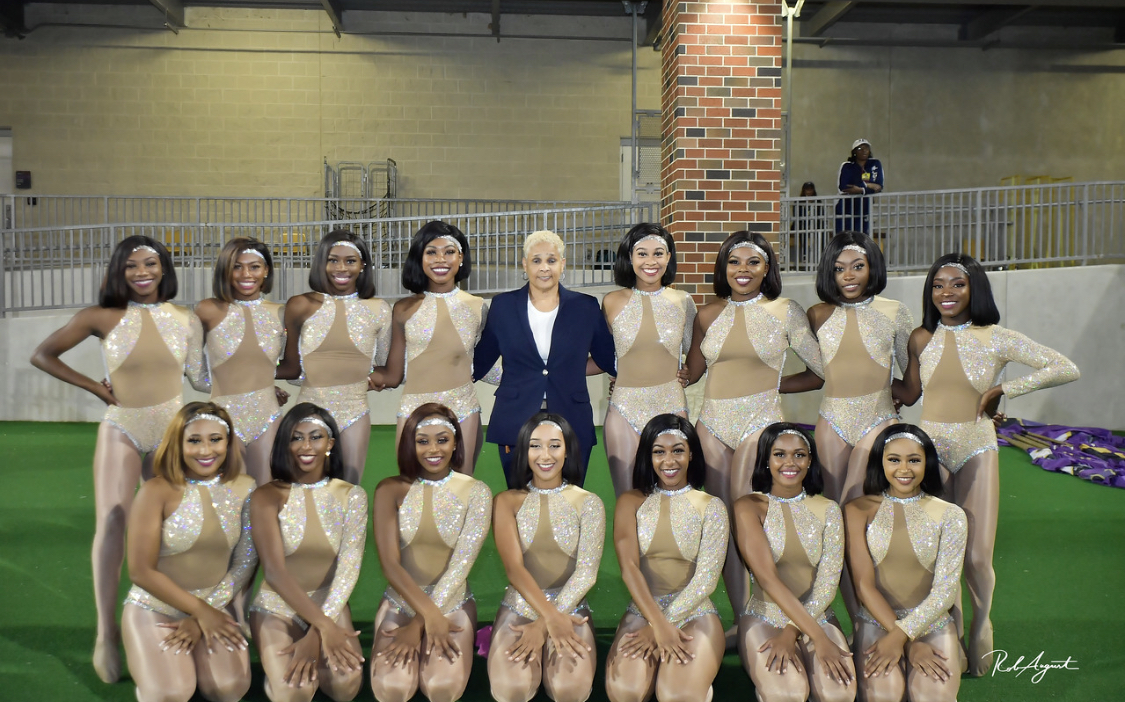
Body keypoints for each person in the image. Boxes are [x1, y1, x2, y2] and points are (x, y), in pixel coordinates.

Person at [30, 235, 207, 683]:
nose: (141, 272)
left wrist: (269, 379)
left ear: (164, 268)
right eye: (131, 266)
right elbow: (42, 355)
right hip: (122, 426)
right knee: (112, 522)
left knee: (174, 528)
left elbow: (202, 379)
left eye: (150, 264)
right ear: (118, 271)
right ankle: (106, 632)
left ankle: (167, 616)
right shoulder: (101, 316)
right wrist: (95, 387)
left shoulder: (185, 319)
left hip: (170, 432)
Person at [895, 253, 1079, 676]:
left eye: (957, 284)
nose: (946, 293)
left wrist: (1004, 389)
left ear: (975, 288)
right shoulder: (921, 338)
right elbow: (910, 392)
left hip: (977, 447)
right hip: (930, 451)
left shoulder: (997, 337)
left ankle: (981, 626)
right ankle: (953, 636)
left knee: (977, 556)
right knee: (941, 555)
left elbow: (1065, 367)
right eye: (938, 285)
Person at [685, 230, 823, 616]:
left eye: (753, 262)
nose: (742, 269)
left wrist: (774, 385)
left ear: (767, 269)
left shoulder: (786, 311)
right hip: (711, 426)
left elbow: (820, 371)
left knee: (751, 520)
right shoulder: (707, 315)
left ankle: (770, 611)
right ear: (723, 268)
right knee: (724, 524)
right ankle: (742, 616)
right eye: (734, 262)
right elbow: (690, 373)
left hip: (760, 424)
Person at [122, 402, 257, 702]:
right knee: (172, 693)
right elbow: (140, 571)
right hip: (155, 607)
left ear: (228, 443)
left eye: (215, 439)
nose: (206, 450)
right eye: (194, 440)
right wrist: (201, 612)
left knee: (229, 688)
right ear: (178, 444)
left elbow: (246, 562)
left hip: (214, 603)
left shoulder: (246, 488)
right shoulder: (155, 491)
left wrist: (203, 614)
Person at [472, 230, 617, 488]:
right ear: (524, 265)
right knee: (519, 497)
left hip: (572, 416)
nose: (544, 268)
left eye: (551, 260)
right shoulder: (503, 306)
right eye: (536, 260)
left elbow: (607, 358)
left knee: (570, 498)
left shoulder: (585, 307)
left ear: (563, 264)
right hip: (515, 417)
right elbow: (481, 360)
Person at [370, 403, 492, 702]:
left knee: (441, 686)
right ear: (410, 445)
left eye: (442, 439)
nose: (433, 449)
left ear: (456, 443)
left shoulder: (477, 492)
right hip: (400, 602)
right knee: (392, 687)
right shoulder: (389, 489)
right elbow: (390, 564)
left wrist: (421, 623)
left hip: (452, 603)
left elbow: (461, 565)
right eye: (422, 441)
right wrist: (423, 617)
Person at [248, 403, 367, 702]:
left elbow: (349, 568)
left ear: (330, 443)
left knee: (345, 687)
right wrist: (324, 627)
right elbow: (274, 572)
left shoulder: (352, 496)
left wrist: (318, 631)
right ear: (285, 444)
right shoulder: (265, 496)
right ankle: (274, 681)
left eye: (315, 437)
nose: (306, 446)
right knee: (294, 692)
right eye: (296, 437)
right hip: (277, 607)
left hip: (330, 604)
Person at [605, 415, 727, 702]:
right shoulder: (630, 502)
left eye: (678, 451)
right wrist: (655, 623)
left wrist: (662, 624)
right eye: (659, 451)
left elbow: (706, 581)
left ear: (691, 454)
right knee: (625, 693)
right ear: (648, 456)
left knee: (676, 695)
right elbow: (629, 567)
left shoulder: (712, 506)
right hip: (643, 612)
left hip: (695, 613)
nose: (669, 461)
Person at [843, 425, 967, 702]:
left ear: (927, 463)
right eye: (894, 459)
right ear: (880, 462)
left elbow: (945, 592)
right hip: (876, 621)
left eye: (914, 460)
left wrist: (904, 635)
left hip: (932, 624)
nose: (904, 469)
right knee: (884, 696)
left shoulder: (952, 515)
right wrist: (908, 643)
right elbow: (863, 586)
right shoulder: (856, 510)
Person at [733, 423, 855, 702]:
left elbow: (828, 583)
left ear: (810, 461)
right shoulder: (747, 506)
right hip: (765, 616)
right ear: (766, 460)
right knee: (788, 694)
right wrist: (818, 638)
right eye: (780, 454)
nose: (790, 462)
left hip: (818, 615)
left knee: (839, 695)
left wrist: (795, 631)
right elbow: (767, 579)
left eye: (799, 455)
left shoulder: (829, 509)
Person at [488, 413, 605, 702]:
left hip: (571, 608)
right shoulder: (506, 501)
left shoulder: (589, 503)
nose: (545, 455)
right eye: (535, 446)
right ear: (523, 451)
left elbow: (587, 573)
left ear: (568, 451)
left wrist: (545, 623)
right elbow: (514, 569)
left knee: (569, 689)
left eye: (554, 445)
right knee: (511, 689)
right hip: (519, 606)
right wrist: (548, 617)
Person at [370, 221, 489, 474]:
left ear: (461, 258)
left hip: (463, 408)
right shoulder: (402, 309)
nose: (440, 259)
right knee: (412, 486)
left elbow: (481, 364)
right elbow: (393, 374)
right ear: (420, 258)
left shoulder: (478, 307)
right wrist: (352, 379)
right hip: (413, 409)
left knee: (460, 488)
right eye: (431, 252)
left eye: (449, 251)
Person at [276, 230, 391, 484]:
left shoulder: (379, 309)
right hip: (308, 408)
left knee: (348, 487)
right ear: (321, 263)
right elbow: (289, 366)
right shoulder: (299, 305)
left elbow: (385, 366)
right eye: (333, 260)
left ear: (363, 265)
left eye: (350, 261)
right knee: (303, 486)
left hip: (355, 411)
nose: (341, 268)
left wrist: (373, 378)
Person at [807, 232, 914, 505]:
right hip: (831, 422)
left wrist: (892, 391)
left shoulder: (895, 311)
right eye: (838, 269)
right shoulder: (817, 314)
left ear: (872, 267)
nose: (848, 276)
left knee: (856, 497)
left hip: (878, 419)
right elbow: (817, 373)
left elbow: (913, 377)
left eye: (857, 266)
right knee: (833, 503)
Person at [601, 223, 696, 497]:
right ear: (630, 258)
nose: (650, 261)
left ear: (669, 257)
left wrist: (690, 372)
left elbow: (698, 351)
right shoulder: (611, 301)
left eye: (658, 253)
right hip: (624, 408)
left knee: (672, 495)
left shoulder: (683, 301)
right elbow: (606, 354)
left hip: (672, 407)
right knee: (628, 496)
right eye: (642, 253)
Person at [196, 237, 288, 485]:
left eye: (254, 266)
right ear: (225, 270)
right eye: (237, 266)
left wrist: (264, 385)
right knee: (229, 495)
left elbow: (289, 366)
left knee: (266, 493)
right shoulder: (207, 309)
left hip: (268, 418)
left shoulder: (281, 313)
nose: (246, 274)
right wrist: (233, 388)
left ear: (266, 270)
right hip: (222, 417)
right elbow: (195, 372)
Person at [835, 139, 883, 234]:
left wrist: (860, 189)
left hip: (865, 209)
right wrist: (867, 185)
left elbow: (878, 186)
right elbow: (844, 187)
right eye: (860, 148)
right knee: (844, 238)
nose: (864, 151)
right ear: (854, 152)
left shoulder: (875, 164)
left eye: (867, 148)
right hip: (846, 209)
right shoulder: (847, 166)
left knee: (862, 238)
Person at [790, 181, 827, 270]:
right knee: (802, 235)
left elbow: (821, 214)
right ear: (804, 190)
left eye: (810, 190)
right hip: (802, 224)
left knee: (822, 234)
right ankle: (804, 257)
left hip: (816, 224)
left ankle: (821, 257)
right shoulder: (799, 201)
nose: (809, 192)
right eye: (807, 190)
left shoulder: (818, 201)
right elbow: (796, 215)